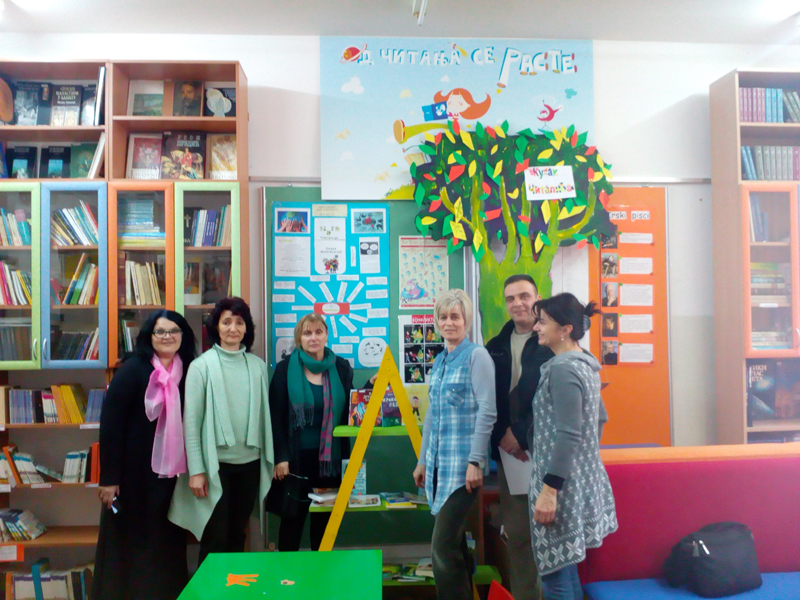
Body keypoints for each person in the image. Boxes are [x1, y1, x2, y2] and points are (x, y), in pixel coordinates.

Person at [93, 310, 196, 600]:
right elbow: (111, 426)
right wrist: (109, 479)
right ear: (149, 336)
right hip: (132, 477)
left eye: (173, 331)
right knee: (130, 544)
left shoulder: (190, 370)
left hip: (172, 476)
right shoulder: (132, 369)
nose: (167, 337)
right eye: (160, 331)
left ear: (183, 336)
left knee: (167, 541)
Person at [169, 297, 274, 565]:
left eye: (239, 322)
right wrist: (196, 471)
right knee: (215, 538)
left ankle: (234, 586)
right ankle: (210, 587)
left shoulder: (258, 366)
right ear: (216, 327)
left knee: (238, 535)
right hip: (215, 468)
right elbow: (191, 423)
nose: (233, 328)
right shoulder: (201, 366)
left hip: (250, 465)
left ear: (246, 328)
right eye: (226, 322)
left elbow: (264, 418)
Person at [529, 293, 618, 600]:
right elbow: (599, 419)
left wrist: (549, 490)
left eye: (542, 322)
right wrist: (582, 461)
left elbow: (568, 434)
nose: (536, 327)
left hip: (558, 488)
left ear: (565, 329)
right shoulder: (585, 364)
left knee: (556, 578)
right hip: (573, 481)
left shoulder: (563, 369)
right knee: (566, 572)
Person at [412, 290, 496, 600]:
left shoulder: (477, 356)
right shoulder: (440, 361)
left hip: (464, 469)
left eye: (455, 317)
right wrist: (422, 461)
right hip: (439, 467)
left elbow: (487, 410)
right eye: (443, 317)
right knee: (455, 546)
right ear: (436, 322)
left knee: (443, 548)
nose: (449, 323)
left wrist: (476, 461)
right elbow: (432, 415)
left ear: (467, 321)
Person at [485, 275, 553, 600]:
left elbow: (553, 401)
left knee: (550, 536)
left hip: (546, 453)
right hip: (509, 456)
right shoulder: (495, 347)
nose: (518, 303)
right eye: (511, 298)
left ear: (537, 298)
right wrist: (503, 437)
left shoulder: (551, 341)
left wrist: (522, 435)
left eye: (524, 296)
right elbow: (489, 400)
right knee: (518, 536)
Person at [266, 313, 354, 551]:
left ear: (326, 335)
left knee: (324, 527)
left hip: (330, 462)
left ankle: (321, 573)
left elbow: (351, 408)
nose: (313, 338)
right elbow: (276, 417)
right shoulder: (285, 369)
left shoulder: (341, 368)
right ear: (299, 338)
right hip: (295, 462)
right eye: (307, 333)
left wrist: (370, 388)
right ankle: (287, 574)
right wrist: (281, 457)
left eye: (318, 332)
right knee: (291, 525)